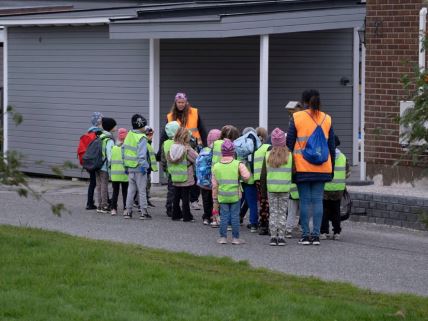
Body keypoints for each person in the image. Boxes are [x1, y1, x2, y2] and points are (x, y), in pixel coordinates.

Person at [286, 90, 335, 245]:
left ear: (304, 101)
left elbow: (289, 144)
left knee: (305, 201)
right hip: (322, 166)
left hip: (302, 166)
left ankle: (306, 235)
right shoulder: (327, 119)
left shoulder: (296, 117)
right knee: (318, 201)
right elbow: (331, 147)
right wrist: (331, 168)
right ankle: (316, 235)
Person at [158, 92, 208, 210]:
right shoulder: (170, 116)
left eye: (183, 102)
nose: (181, 104)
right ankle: (179, 200)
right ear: (175, 103)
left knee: (196, 174)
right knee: (181, 173)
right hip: (178, 147)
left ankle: (194, 199)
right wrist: (160, 150)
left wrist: (206, 145)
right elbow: (164, 133)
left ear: (186, 103)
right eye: (178, 102)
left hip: (194, 146)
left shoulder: (194, 112)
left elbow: (202, 130)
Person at [213, 139, 250, 245]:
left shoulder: (216, 166)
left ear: (222, 152)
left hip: (222, 195)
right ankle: (235, 238)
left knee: (224, 216)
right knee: (235, 216)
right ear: (233, 152)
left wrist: (214, 199)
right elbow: (247, 176)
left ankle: (223, 238)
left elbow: (215, 185)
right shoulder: (238, 164)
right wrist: (241, 178)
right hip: (235, 195)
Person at [260, 128, 291, 246]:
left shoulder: (267, 155)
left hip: (271, 189)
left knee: (273, 212)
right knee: (283, 212)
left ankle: (273, 236)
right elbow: (293, 172)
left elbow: (263, 175)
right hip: (284, 188)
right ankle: (281, 237)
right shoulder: (289, 156)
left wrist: (263, 192)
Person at [320, 135, 350, 240]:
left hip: (326, 188)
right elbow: (347, 173)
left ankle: (323, 231)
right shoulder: (343, 157)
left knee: (324, 210)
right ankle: (337, 232)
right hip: (339, 189)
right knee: (336, 210)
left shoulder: (325, 156)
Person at [211, 125, 240, 227]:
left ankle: (215, 219)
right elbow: (234, 159)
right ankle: (227, 221)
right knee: (225, 198)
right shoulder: (231, 145)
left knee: (215, 198)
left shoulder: (215, 143)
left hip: (215, 171)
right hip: (226, 172)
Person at [167, 127, 199, 222]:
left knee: (176, 196)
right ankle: (187, 216)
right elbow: (196, 158)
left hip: (176, 175)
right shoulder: (186, 149)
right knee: (185, 197)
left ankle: (175, 214)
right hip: (186, 175)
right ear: (185, 137)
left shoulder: (172, 147)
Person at [123, 114, 151, 220]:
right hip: (139, 167)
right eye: (144, 125)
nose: (145, 127)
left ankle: (128, 211)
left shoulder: (129, 135)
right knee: (142, 190)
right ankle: (144, 212)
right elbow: (142, 154)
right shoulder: (142, 138)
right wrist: (144, 166)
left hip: (130, 167)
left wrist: (125, 164)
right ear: (141, 125)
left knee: (131, 190)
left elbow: (123, 150)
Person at [284, 100, 304, 238]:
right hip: (301, 187)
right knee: (303, 209)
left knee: (291, 210)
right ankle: (303, 228)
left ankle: (289, 229)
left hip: (292, 190)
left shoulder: (290, 156)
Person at [198, 129, 221, 225]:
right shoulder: (216, 151)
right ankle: (214, 216)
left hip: (203, 181)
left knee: (205, 199)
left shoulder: (203, 150)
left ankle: (206, 217)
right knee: (214, 199)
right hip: (213, 181)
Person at [240, 127, 259, 233]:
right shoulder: (257, 147)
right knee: (252, 203)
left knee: (238, 201)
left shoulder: (239, 146)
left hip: (241, 179)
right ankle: (253, 224)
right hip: (251, 180)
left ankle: (233, 220)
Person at [96, 117, 117, 213]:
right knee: (104, 185)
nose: (116, 127)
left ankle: (99, 205)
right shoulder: (109, 140)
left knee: (99, 185)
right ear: (110, 127)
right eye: (114, 125)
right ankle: (104, 205)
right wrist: (112, 165)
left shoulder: (100, 136)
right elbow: (110, 155)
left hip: (97, 164)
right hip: (104, 166)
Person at [161, 121, 180, 217]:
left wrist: (165, 169)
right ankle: (177, 208)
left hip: (170, 172)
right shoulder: (180, 143)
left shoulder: (165, 143)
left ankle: (169, 208)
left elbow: (163, 159)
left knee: (171, 191)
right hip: (181, 172)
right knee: (180, 191)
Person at [84, 112, 103, 210]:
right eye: (101, 119)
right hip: (96, 161)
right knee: (100, 182)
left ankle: (89, 203)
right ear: (99, 121)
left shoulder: (88, 132)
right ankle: (102, 202)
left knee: (93, 182)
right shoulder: (98, 132)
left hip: (88, 160)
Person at [254, 127, 271, 235]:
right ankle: (267, 225)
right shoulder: (268, 148)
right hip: (265, 178)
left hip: (257, 179)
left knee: (262, 202)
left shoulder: (257, 149)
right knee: (268, 203)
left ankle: (263, 223)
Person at [110, 128, 129, 216]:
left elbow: (110, 161)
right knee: (125, 192)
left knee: (115, 192)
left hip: (115, 175)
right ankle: (126, 209)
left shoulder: (113, 148)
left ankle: (113, 209)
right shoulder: (128, 148)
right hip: (125, 174)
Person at [145, 126, 158, 208]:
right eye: (149, 135)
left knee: (148, 184)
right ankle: (142, 201)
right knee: (144, 185)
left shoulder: (149, 143)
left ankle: (147, 199)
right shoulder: (144, 143)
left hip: (148, 168)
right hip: (145, 168)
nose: (151, 136)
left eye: (151, 135)